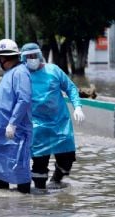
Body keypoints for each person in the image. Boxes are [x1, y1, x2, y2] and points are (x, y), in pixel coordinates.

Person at [20, 43, 86, 189]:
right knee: (39, 166)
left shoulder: (53, 70)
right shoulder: (21, 75)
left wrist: (78, 107)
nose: (32, 59)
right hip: (36, 126)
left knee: (67, 161)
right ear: (23, 58)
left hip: (60, 123)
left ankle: (56, 180)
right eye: (28, 57)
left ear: (39, 55)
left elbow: (71, 88)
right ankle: (41, 198)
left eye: (34, 56)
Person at [0, 39, 32, 194]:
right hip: (1, 136)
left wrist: (13, 123)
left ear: (2, 58)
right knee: (0, 177)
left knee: (20, 173)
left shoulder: (20, 73)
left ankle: (25, 209)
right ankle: (3, 213)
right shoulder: (9, 74)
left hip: (15, 134)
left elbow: (24, 99)